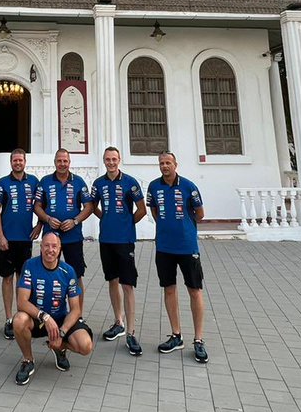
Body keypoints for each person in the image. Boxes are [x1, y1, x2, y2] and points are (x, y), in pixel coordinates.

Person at [147, 151, 208, 363]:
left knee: (194, 291)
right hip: (164, 247)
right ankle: (176, 335)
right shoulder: (154, 187)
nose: (165, 166)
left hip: (187, 247)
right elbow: (154, 211)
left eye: (168, 163)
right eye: (162, 163)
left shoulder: (189, 186)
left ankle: (198, 339)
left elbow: (199, 214)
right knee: (169, 289)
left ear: (175, 164)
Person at [13, 232, 94, 385]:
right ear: (41, 247)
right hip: (38, 319)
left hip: (60, 319)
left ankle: (59, 348)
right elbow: (21, 302)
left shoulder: (68, 271)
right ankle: (28, 360)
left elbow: (76, 309)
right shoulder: (30, 265)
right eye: (47, 246)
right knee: (19, 320)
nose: (50, 250)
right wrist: (45, 317)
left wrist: (61, 333)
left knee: (86, 346)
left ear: (60, 248)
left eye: (54, 246)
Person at [90, 146, 147, 357]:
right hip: (106, 240)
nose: (111, 162)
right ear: (104, 161)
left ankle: (131, 332)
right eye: (107, 159)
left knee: (127, 284)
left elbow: (142, 209)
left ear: (119, 160)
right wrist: (104, 218)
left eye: (114, 159)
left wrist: (126, 222)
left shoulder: (130, 183)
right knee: (112, 281)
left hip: (124, 241)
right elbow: (92, 206)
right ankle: (118, 322)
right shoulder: (98, 184)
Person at [34, 149, 93, 314]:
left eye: (65, 161)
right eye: (59, 161)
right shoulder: (45, 182)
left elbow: (89, 206)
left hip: (73, 238)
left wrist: (75, 221)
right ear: (55, 162)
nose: (62, 164)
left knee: (76, 276)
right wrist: (47, 219)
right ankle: (51, 314)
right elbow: (37, 206)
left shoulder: (79, 182)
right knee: (49, 275)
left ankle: (77, 316)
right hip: (51, 240)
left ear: (69, 162)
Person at [0, 148, 41, 340]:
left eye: (20, 160)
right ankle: (8, 319)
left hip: (25, 239)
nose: (17, 163)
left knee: (23, 280)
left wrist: (40, 224)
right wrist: (0, 236)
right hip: (7, 240)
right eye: (14, 160)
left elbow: (41, 205)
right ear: (11, 162)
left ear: (25, 161)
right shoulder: (3, 183)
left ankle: (22, 316)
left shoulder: (34, 182)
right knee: (7, 278)